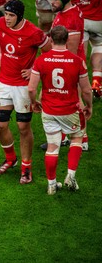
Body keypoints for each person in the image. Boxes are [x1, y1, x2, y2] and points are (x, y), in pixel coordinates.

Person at [28, 25, 93, 195]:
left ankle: (51, 185)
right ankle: (70, 176)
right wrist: (89, 106)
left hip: (49, 110)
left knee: (52, 146)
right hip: (70, 110)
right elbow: (86, 90)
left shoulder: (41, 60)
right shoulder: (77, 61)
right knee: (77, 138)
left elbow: (31, 88)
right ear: (67, 40)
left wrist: (34, 102)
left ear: (50, 39)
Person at [0, 0, 51, 184]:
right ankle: (11, 159)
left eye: (11, 15)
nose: (7, 19)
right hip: (3, 82)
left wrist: (34, 69)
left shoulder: (33, 33)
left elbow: (49, 53)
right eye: (6, 14)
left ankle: (26, 168)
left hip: (22, 86)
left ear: (20, 16)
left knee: (23, 127)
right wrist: (0, 52)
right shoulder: (0, 23)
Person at [50, 0, 90, 151]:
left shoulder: (71, 18)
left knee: (76, 103)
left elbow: (71, 52)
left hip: (70, 68)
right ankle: (63, 137)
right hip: (67, 66)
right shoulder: (66, 11)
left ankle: (82, 140)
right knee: (64, 104)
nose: (51, 2)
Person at [71, 0, 102, 97]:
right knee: (99, 45)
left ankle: (76, 92)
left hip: (80, 18)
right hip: (98, 20)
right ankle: (96, 82)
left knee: (80, 57)